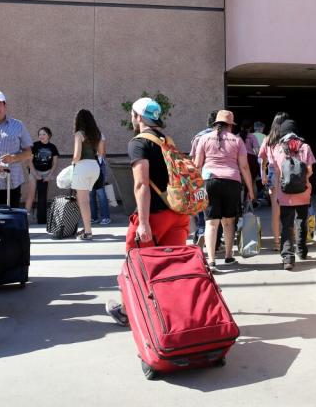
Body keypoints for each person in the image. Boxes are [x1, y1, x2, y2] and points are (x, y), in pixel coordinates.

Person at [105, 97, 190, 327]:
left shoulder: (139, 143)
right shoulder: (167, 140)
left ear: (138, 117)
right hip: (178, 213)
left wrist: (143, 223)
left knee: (136, 266)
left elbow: (141, 184)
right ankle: (171, 315)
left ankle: (125, 311)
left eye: (132, 114)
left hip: (155, 216)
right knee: (171, 267)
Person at [194, 110, 255, 270]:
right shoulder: (237, 140)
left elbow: (197, 165)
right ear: (230, 125)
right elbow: (244, 167)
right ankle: (229, 257)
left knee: (211, 223)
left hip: (209, 181)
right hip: (232, 182)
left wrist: (195, 187)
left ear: (216, 123)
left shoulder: (204, 138)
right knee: (228, 222)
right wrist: (250, 188)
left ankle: (211, 261)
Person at [265, 119, 315, 271]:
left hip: (285, 193)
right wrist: (303, 182)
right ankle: (302, 251)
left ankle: (288, 258)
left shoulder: (278, 148)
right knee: (301, 220)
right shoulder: (304, 146)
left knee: (286, 225)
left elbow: (277, 171)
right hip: (303, 191)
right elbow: (310, 170)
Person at [71, 109, 105, 240]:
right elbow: (101, 153)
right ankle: (86, 228)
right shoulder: (97, 134)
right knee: (86, 200)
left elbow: (77, 156)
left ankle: (88, 232)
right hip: (95, 167)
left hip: (82, 167)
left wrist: (72, 162)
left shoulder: (79, 134)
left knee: (83, 201)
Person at [258, 112, 290, 251]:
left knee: (275, 211)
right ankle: (289, 241)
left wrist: (263, 175)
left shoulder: (268, 139)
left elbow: (262, 160)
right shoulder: (287, 139)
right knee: (289, 209)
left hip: (272, 173)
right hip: (286, 173)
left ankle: (277, 243)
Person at [187, 110, 219, 245]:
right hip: (216, 175)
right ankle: (215, 240)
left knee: (201, 206)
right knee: (215, 209)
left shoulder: (197, 137)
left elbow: (193, 158)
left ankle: (200, 231)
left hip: (199, 175)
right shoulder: (219, 136)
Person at [30, 127, 60, 225]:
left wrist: (49, 176)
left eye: (44, 134)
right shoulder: (34, 145)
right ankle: (25, 217)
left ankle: (42, 220)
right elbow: (29, 161)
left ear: (49, 136)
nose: (41, 136)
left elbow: (54, 163)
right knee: (31, 194)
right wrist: (35, 174)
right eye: (40, 134)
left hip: (47, 173)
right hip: (35, 172)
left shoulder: (53, 147)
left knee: (43, 196)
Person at [90, 158, 112, 226]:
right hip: (89, 169)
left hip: (98, 169)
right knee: (91, 195)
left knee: (101, 194)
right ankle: (94, 217)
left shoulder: (97, 148)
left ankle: (105, 217)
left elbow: (102, 154)